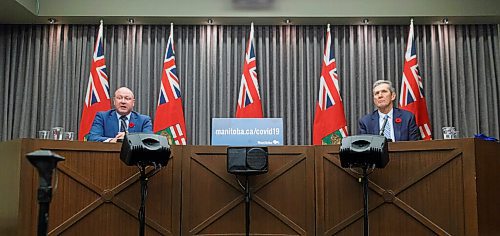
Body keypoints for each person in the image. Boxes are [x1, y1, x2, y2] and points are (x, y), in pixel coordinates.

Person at [87, 87, 153, 142]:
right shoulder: (102, 117)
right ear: (114, 101)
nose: (123, 102)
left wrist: (129, 137)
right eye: (119, 98)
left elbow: (149, 140)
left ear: (133, 103)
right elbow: (92, 137)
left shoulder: (144, 120)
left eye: (127, 98)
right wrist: (112, 140)